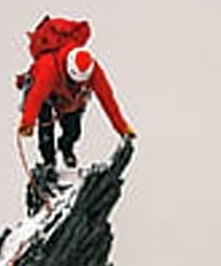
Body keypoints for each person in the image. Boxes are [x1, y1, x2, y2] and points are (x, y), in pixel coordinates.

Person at [16, 16, 134, 180]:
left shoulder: (93, 70)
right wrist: (27, 123)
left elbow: (107, 99)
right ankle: (49, 162)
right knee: (45, 129)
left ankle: (66, 146)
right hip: (47, 95)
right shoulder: (47, 67)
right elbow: (36, 96)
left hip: (70, 99)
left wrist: (122, 128)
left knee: (74, 130)